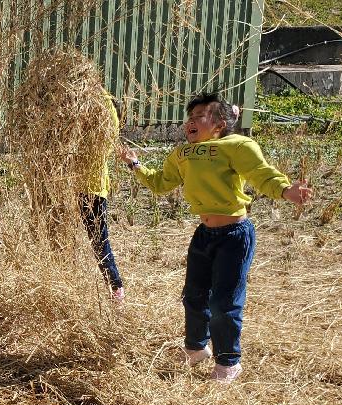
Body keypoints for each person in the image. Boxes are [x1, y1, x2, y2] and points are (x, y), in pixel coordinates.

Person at [119, 92, 312, 383]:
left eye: (200, 116)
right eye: (190, 117)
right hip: (204, 234)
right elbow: (160, 183)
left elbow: (261, 174)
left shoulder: (236, 145)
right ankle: (196, 348)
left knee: (224, 302)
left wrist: (286, 190)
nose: (191, 122)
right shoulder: (181, 154)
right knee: (193, 297)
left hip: (234, 236)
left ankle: (229, 362)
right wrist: (135, 165)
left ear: (220, 123)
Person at [80, 94, 125, 303]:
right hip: (68, 189)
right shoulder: (79, 131)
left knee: (99, 242)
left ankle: (116, 288)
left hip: (92, 191)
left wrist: (97, 92)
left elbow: (107, 115)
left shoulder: (103, 136)